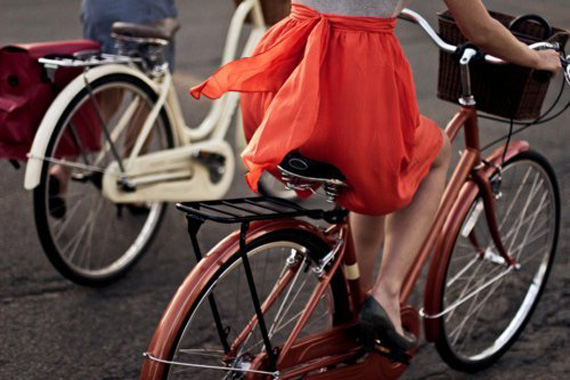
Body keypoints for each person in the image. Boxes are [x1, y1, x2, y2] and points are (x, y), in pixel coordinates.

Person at [190, 0, 561, 351]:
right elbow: (481, 31)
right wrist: (536, 58)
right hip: (350, 92)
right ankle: (386, 294)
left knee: (370, 173)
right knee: (433, 153)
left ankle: (355, 306)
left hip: (286, 92)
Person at [47, 0, 178, 218]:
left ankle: (62, 169)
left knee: (108, 95)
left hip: (99, 10)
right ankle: (130, 180)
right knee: (148, 95)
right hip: (145, 11)